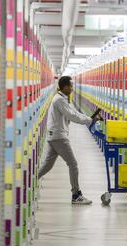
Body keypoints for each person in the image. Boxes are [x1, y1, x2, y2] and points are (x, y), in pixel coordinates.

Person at [38, 76, 102, 205]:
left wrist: (89, 119)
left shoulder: (61, 99)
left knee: (47, 165)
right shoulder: (59, 100)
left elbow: (74, 113)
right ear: (64, 86)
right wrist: (89, 120)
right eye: (70, 86)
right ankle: (76, 195)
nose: (72, 89)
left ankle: (28, 183)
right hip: (59, 136)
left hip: (54, 135)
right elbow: (72, 116)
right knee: (73, 164)